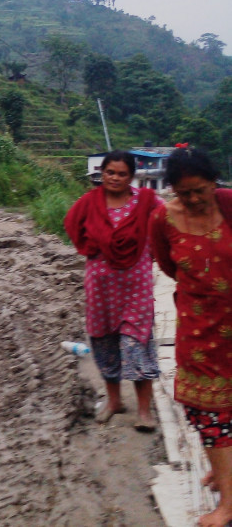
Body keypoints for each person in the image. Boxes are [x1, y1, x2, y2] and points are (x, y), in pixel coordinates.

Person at [150, 147, 232, 527]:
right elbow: (168, 264)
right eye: (186, 194)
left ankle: (227, 502)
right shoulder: (162, 219)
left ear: (214, 182)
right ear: (174, 192)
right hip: (198, 331)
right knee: (207, 411)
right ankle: (224, 484)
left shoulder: (230, 205)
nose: (195, 199)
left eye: (201, 190)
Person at [64, 149, 161, 430]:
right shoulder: (89, 202)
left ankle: (144, 411)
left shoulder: (146, 201)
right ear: (101, 173)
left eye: (121, 174)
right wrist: (89, 247)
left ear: (131, 177)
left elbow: (164, 225)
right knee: (105, 343)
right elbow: (72, 224)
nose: (115, 178)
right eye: (110, 172)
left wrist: (155, 253)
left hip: (136, 286)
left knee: (138, 344)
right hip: (101, 286)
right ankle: (114, 401)